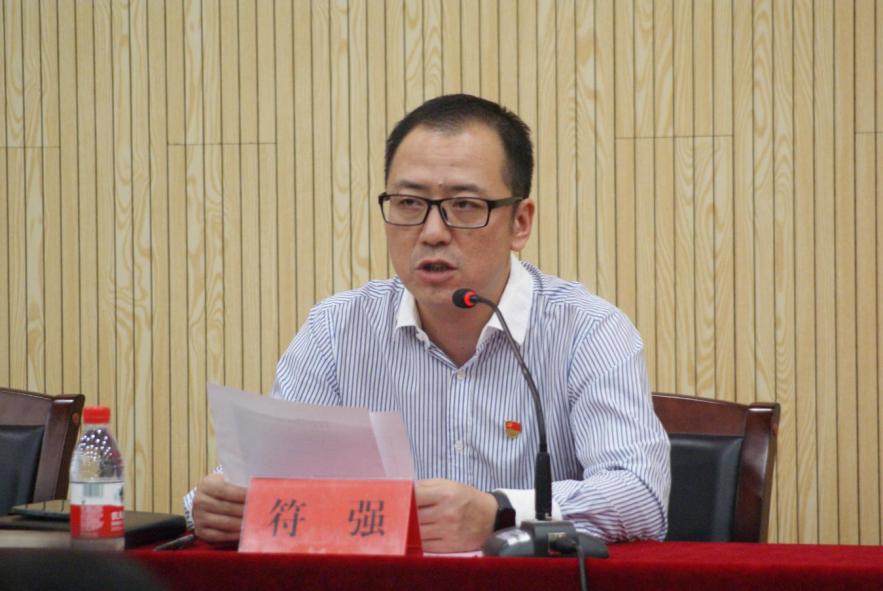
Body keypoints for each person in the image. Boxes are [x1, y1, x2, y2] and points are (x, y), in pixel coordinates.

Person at [185, 94, 670, 552]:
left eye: (465, 206)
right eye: (410, 204)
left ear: (520, 222)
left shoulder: (587, 329)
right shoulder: (337, 330)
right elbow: (271, 480)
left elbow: (640, 496)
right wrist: (217, 505)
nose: (432, 232)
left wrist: (500, 512)